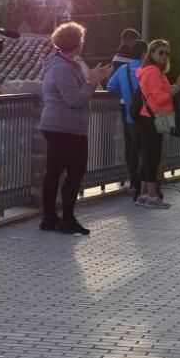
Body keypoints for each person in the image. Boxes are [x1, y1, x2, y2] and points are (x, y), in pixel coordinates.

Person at [39, 22, 112, 234]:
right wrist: (91, 81)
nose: (82, 43)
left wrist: (93, 80)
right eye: (81, 40)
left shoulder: (68, 64)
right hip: (64, 128)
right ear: (76, 43)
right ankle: (62, 218)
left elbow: (80, 93)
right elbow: (74, 99)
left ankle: (52, 217)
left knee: (57, 172)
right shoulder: (62, 68)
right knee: (72, 171)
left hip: (65, 127)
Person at [135, 39, 180, 208]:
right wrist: (179, 87)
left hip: (149, 118)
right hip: (154, 118)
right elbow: (160, 97)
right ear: (151, 53)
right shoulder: (153, 72)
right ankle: (152, 196)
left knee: (148, 156)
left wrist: (177, 86)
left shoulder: (149, 71)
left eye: (167, 53)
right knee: (152, 158)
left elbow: (160, 93)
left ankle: (144, 195)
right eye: (160, 52)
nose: (164, 56)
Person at [106, 38, 147, 200]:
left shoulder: (123, 70)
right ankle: (144, 185)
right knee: (145, 151)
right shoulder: (149, 70)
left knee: (131, 150)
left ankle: (133, 184)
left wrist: (124, 95)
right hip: (146, 118)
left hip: (129, 117)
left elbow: (110, 86)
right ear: (144, 54)